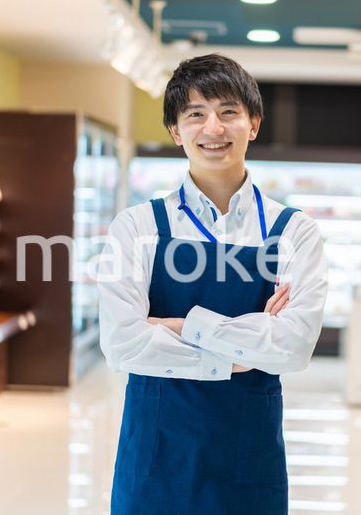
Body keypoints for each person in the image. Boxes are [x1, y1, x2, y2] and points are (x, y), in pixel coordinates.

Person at [98, 53, 328, 515]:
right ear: (175, 131)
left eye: (228, 112)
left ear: (253, 123)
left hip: (249, 457)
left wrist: (181, 326)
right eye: (195, 115)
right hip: (156, 456)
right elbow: (122, 343)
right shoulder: (137, 226)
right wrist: (240, 356)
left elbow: (294, 347)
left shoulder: (294, 231)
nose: (213, 129)